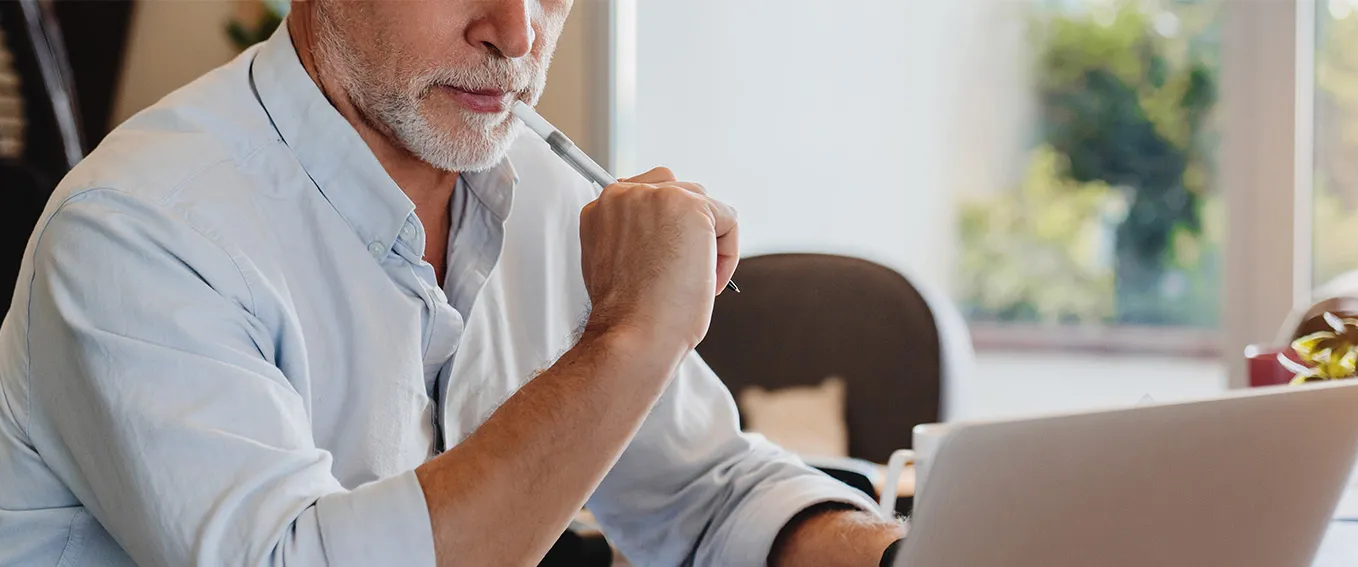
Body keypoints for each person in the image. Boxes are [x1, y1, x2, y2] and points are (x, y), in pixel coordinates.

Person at [0, 1, 906, 565]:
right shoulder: (137, 228)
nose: (516, 33)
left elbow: (709, 496)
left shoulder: (545, 198)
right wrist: (630, 337)